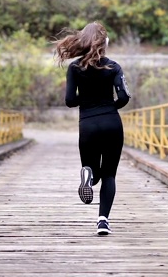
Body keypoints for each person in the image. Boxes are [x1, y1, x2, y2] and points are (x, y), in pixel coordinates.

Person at [54, 21, 131, 236]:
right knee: (109, 175)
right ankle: (103, 221)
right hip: (112, 123)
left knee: (92, 171)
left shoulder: (74, 68)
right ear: (105, 42)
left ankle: (88, 176)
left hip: (87, 124)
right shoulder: (114, 67)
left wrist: (88, 101)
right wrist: (108, 106)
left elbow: (69, 101)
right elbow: (124, 97)